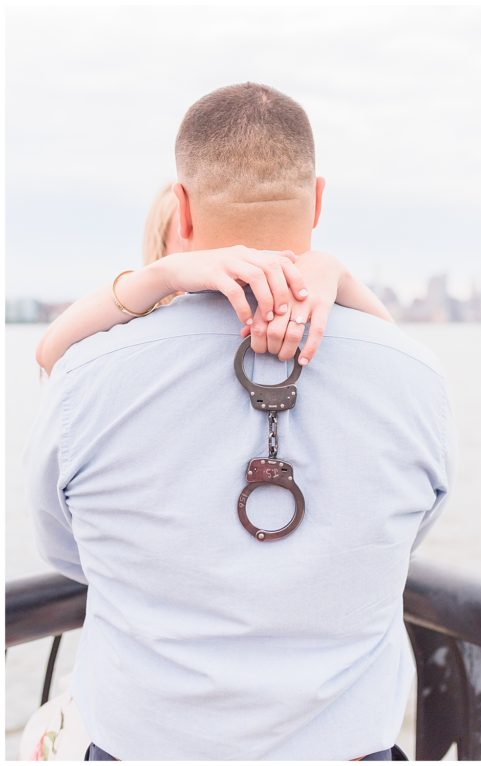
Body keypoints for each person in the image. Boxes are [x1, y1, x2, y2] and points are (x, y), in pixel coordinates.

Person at [25, 82, 453, 760]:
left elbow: (63, 551)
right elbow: (412, 530)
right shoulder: (415, 375)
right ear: (317, 202)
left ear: (183, 207)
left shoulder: (85, 377)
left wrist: (157, 278)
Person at [35, 187, 393, 376]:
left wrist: (336, 273)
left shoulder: (280, 303)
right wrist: (162, 275)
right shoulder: (129, 331)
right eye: (187, 249)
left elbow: (393, 347)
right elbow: (49, 353)